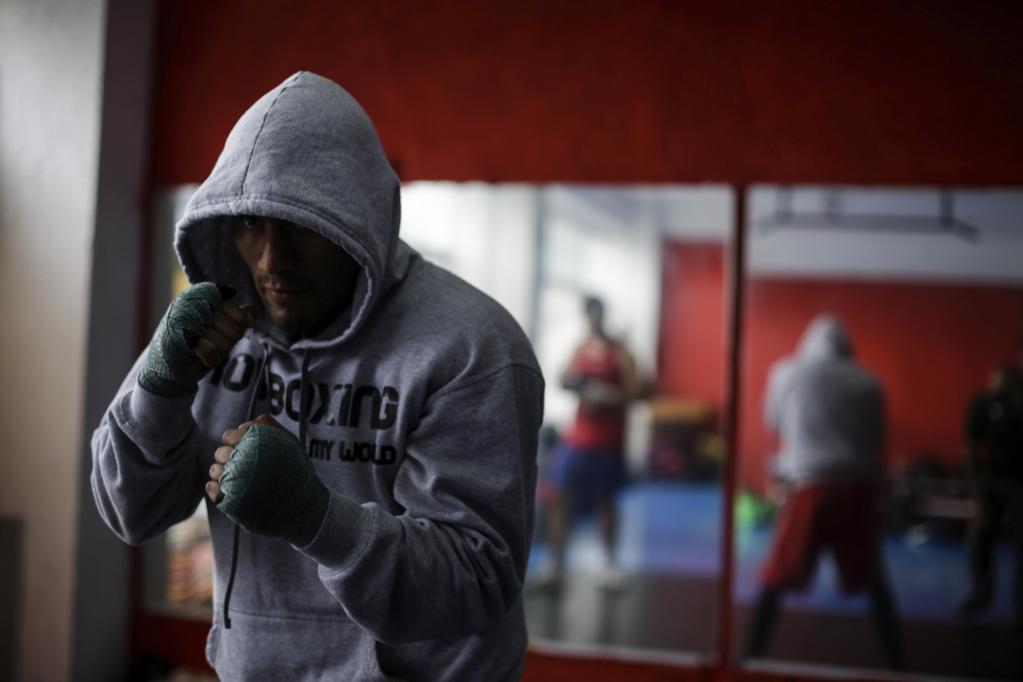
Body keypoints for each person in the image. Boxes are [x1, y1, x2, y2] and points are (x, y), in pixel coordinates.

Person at [91, 71, 544, 681]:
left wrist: (317, 518)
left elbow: (478, 581)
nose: (273, 260)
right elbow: (131, 511)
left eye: (302, 225)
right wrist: (159, 386)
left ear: (357, 222)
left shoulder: (470, 347)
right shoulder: (217, 327)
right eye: (252, 224)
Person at [742, 314, 902, 670]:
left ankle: (749, 656)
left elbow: (773, 421)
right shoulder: (868, 382)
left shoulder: (787, 373)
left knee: (775, 576)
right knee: (874, 580)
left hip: (809, 487)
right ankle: (898, 663)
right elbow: (876, 439)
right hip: (854, 488)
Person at [539, 295, 640, 585]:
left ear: (603, 315)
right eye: (587, 314)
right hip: (579, 437)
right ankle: (555, 565)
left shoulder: (620, 352)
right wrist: (580, 387)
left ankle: (608, 563)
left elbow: (636, 392)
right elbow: (564, 377)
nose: (592, 319)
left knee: (606, 500)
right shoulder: (581, 348)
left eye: (596, 314)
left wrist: (609, 396)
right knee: (559, 495)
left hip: (608, 439)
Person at [958, 363, 1023, 630]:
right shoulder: (984, 404)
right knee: (978, 538)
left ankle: (1021, 605)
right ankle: (981, 594)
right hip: (993, 480)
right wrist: (978, 494)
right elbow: (971, 450)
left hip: (1020, 483)